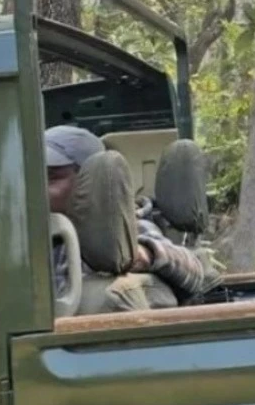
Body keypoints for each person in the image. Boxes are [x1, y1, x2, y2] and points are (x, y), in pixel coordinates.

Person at [46, 125, 211, 304]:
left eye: (51, 178)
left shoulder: (125, 226)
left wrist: (144, 253)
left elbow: (194, 269)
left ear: (87, 182)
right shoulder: (37, 233)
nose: (36, 188)